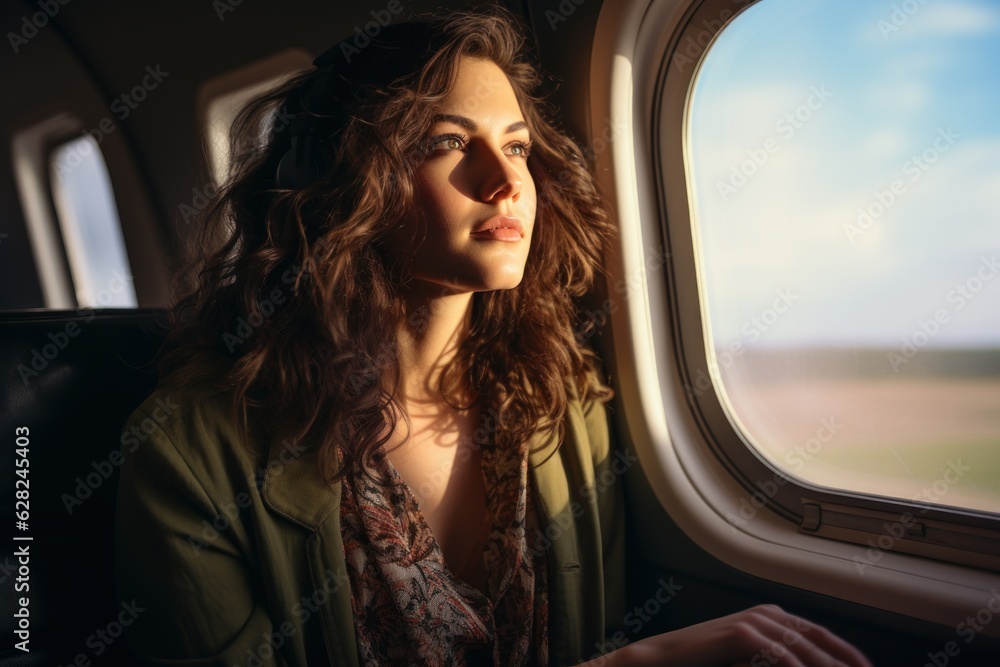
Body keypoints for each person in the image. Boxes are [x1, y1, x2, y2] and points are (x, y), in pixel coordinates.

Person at [114, 8, 873, 667]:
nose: (505, 181)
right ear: (348, 185)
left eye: (514, 146)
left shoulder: (559, 401)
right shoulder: (190, 453)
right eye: (447, 143)